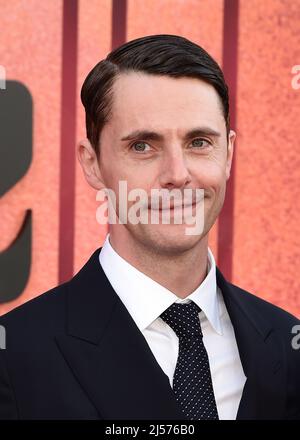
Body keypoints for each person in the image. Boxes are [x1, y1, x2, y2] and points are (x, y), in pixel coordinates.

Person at [0, 34, 299, 420]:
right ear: (92, 163)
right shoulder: (15, 359)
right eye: (142, 146)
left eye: (199, 142)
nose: (177, 175)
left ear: (228, 153)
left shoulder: (286, 348)